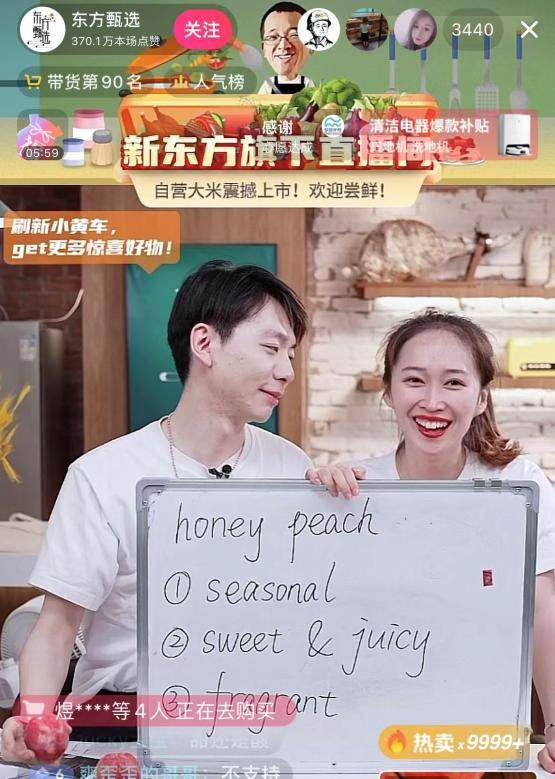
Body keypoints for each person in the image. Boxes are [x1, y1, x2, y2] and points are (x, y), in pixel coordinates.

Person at [1, 260, 311, 762]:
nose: (287, 371)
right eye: (272, 348)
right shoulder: (103, 475)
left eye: (291, 355)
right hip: (120, 732)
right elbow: (56, 627)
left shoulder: (292, 468)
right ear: (204, 343)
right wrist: (35, 718)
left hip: (253, 731)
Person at [307, 310, 555, 775]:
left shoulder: (517, 484)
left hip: (481, 734)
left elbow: (543, 607)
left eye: (454, 383)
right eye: (414, 380)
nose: (432, 401)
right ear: (389, 391)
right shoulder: (353, 487)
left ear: (481, 398)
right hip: (366, 734)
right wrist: (310, 505)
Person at [258, 1, 315, 94]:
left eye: (294, 35)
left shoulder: (307, 83)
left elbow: (314, 102)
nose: (283, 46)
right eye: (272, 37)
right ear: (263, 48)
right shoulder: (269, 84)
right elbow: (258, 102)